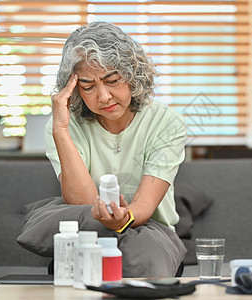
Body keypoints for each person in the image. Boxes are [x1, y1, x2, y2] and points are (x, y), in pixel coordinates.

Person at [43, 21, 187, 277]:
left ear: (132, 74)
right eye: (88, 86)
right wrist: (60, 131)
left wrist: (123, 218)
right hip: (90, 231)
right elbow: (84, 204)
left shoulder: (166, 122)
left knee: (142, 259)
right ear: (74, 90)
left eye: (112, 80)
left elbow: (143, 204)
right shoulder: (63, 126)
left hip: (152, 232)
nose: (104, 96)